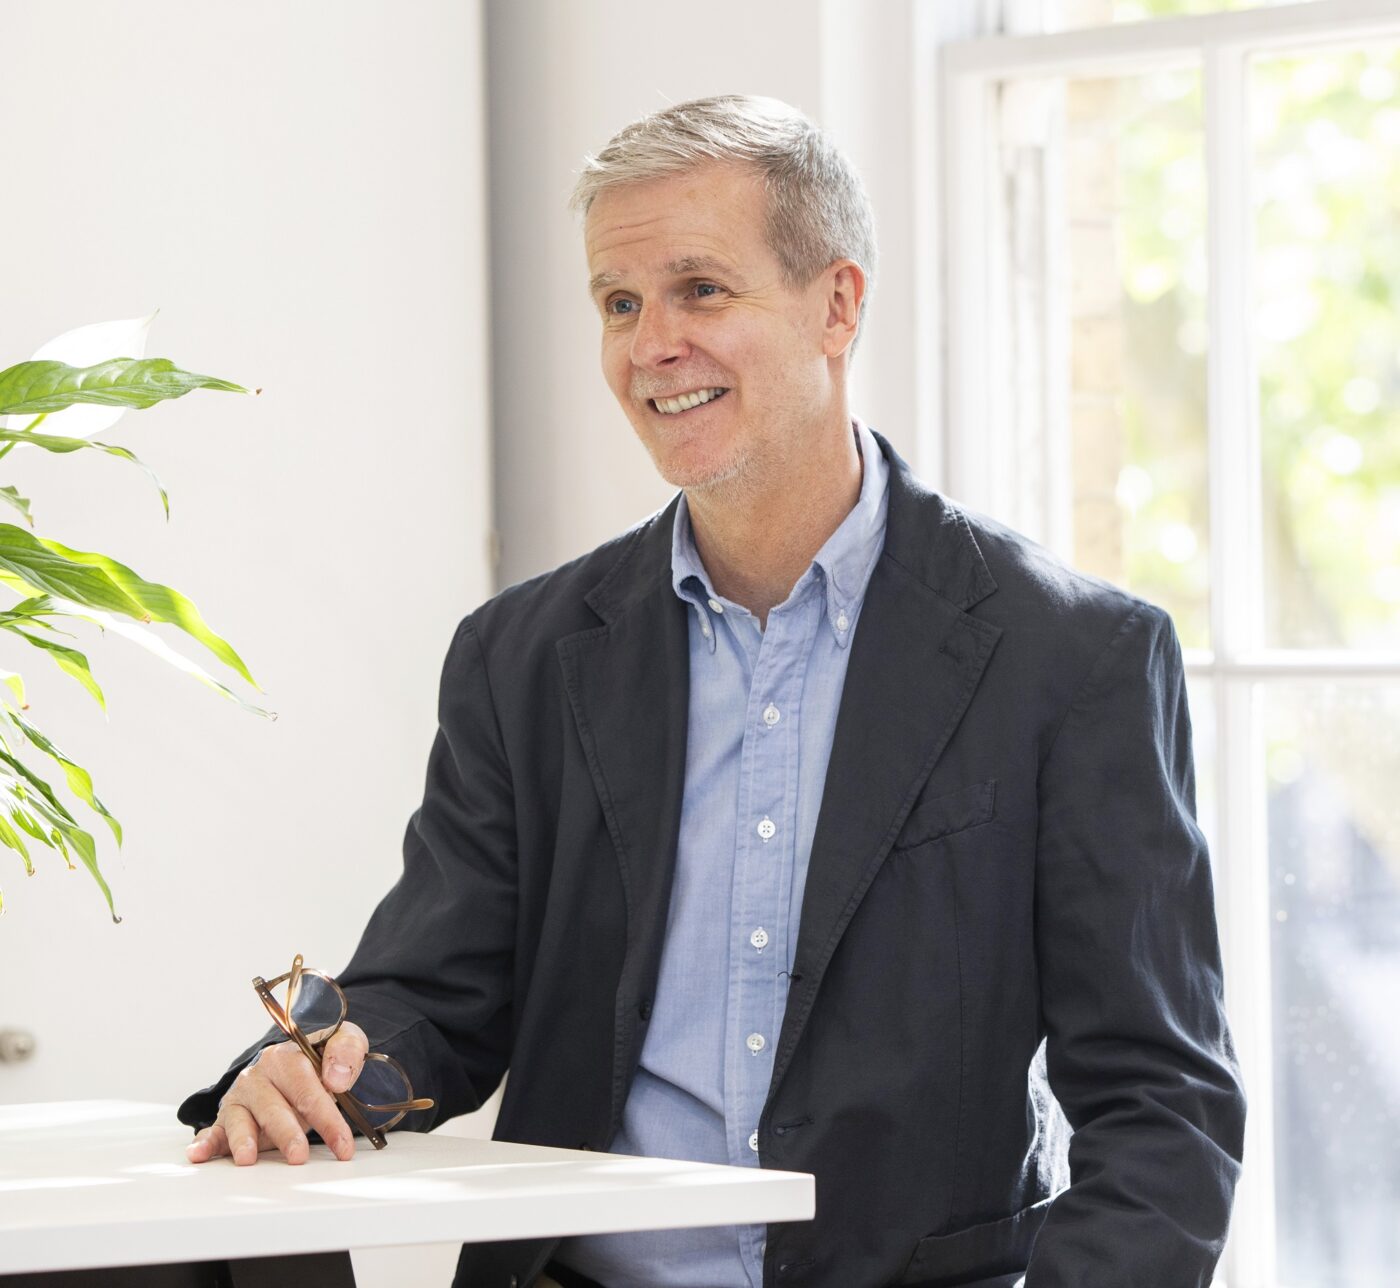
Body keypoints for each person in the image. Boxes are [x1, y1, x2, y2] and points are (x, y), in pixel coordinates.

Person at [181, 95, 1247, 1288]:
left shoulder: (1073, 660)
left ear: (835, 305)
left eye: (700, 290)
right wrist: (319, 1067)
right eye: (618, 303)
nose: (650, 346)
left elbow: (1162, 1106)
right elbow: (437, 997)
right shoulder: (519, 656)